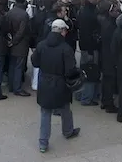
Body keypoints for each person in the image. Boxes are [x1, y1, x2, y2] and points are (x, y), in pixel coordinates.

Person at [31, 19, 80, 153]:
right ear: (63, 31)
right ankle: (68, 131)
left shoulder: (41, 45)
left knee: (45, 112)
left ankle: (43, 142)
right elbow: (70, 70)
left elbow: (35, 62)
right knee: (65, 108)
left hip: (45, 81)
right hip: (61, 83)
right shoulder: (66, 48)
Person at [6, 0, 31, 96]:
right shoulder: (24, 14)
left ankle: (11, 86)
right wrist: (14, 41)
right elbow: (22, 31)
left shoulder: (10, 12)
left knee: (12, 65)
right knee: (18, 67)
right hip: (20, 43)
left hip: (12, 41)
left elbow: (7, 27)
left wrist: (10, 40)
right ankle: (17, 88)